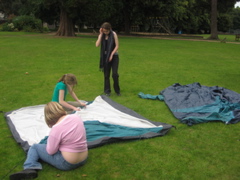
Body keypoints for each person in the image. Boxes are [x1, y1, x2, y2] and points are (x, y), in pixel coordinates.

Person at [10, 102, 88, 180]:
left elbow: (51, 151)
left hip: (67, 163)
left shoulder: (56, 128)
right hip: (84, 158)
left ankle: (29, 167)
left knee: (35, 147)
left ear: (48, 116)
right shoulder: (76, 117)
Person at [96, 22, 121, 96]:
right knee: (106, 75)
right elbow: (97, 45)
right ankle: (107, 91)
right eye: (104, 31)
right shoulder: (102, 35)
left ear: (110, 29)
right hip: (105, 57)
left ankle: (117, 91)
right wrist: (100, 34)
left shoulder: (114, 34)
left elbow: (117, 46)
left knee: (115, 74)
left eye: (106, 31)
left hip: (114, 56)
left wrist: (111, 54)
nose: (105, 33)